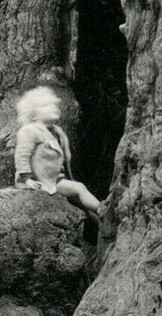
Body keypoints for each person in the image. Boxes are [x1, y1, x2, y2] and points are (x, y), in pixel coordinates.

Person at [13, 86, 111, 239]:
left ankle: (100, 224)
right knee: (79, 189)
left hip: (55, 178)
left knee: (80, 197)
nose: (54, 108)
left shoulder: (56, 131)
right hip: (40, 180)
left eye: (55, 105)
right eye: (47, 106)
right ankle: (102, 209)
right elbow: (22, 156)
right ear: (33, 114)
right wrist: (27, 179)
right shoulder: (30, 131)